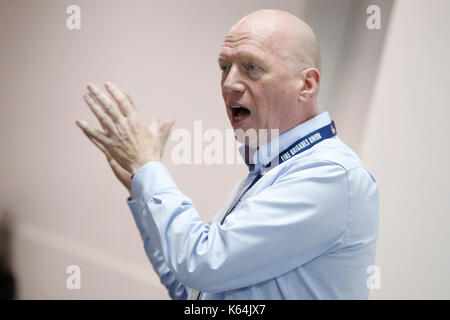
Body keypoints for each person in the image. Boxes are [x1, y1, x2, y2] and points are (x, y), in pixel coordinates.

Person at [76, 9, 379, 300]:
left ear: (306, 84)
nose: (229, 83)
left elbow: (201, 263)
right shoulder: (269, 169)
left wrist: (148, 166)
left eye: (252, 67)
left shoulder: (329, 174)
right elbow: (192, 290)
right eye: (224, 67)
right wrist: (141, 188)